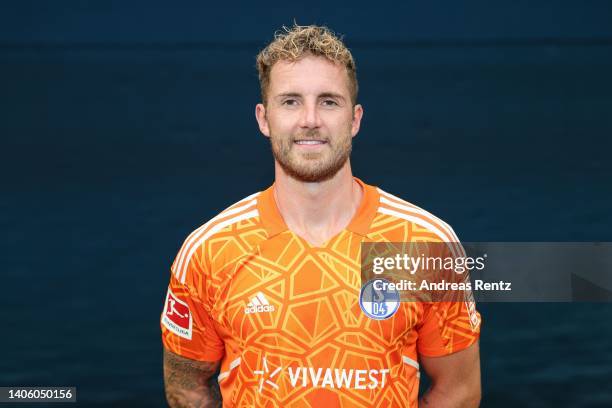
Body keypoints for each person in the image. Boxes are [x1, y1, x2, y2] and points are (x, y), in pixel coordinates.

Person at [161, 24, 481, 407]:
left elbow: (459, 390)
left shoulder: (425, 244)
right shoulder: (209, 250)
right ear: (264, 119)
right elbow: (185, 388)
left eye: (329, 101)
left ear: (355, 118)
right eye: (290, 101)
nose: (310, 119)